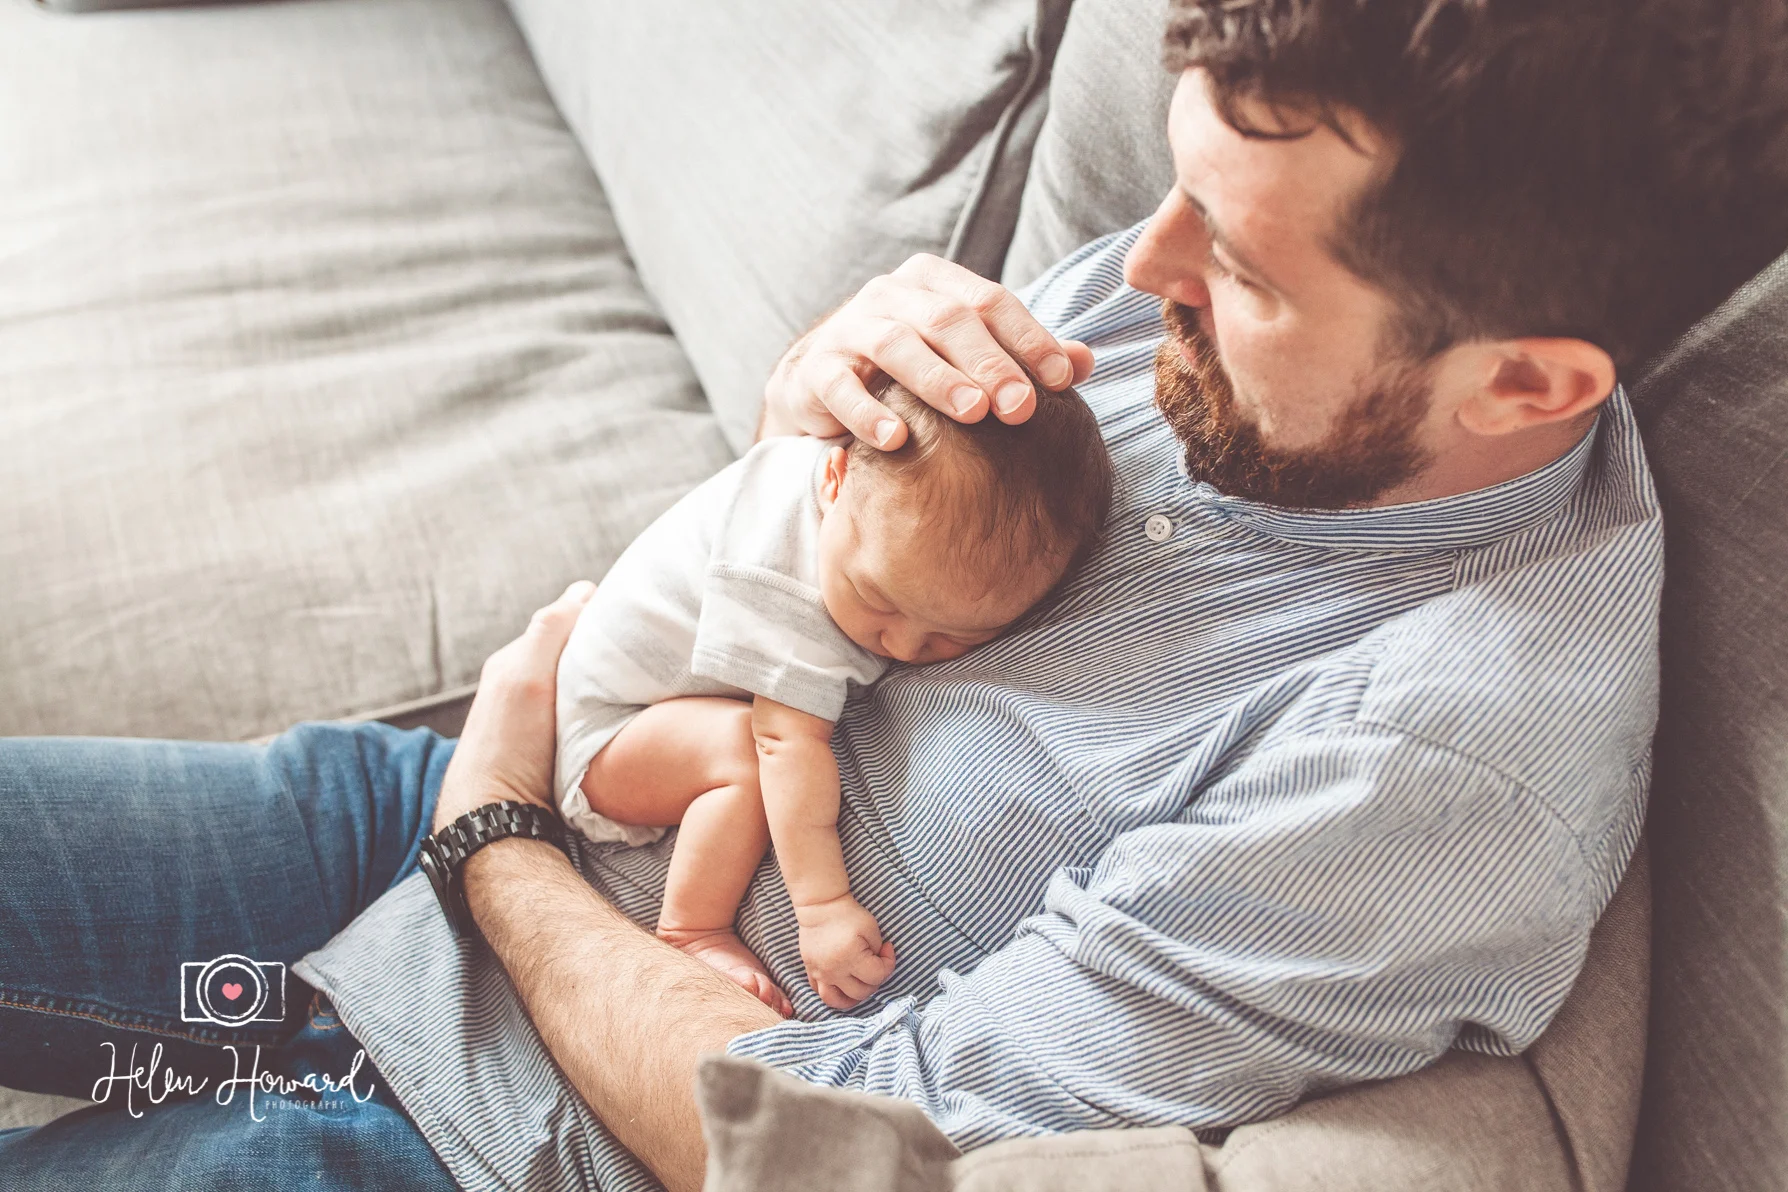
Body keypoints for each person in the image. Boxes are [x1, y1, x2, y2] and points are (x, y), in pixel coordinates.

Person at [4, 2, 1786, 1190]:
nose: (1135, 267)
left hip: (511, 1126)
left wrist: (504, 860)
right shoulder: (1209, 319)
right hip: (421, 820)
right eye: (1174, 195)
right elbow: (847, 510)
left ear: (1527, 385)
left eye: (1235, 265)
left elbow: (828, 1143)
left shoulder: (1437, 772)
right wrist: (817, 404)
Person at [551, 381, 1111, 1015]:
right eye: (875, 598)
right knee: (743, 753)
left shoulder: (868, 521)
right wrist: (821, 908)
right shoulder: (786, 585)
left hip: (642, 710)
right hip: (605, 740)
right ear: (834, 477)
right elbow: (784, 743)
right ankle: (690, 929)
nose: (899, 643)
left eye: (953, 635)